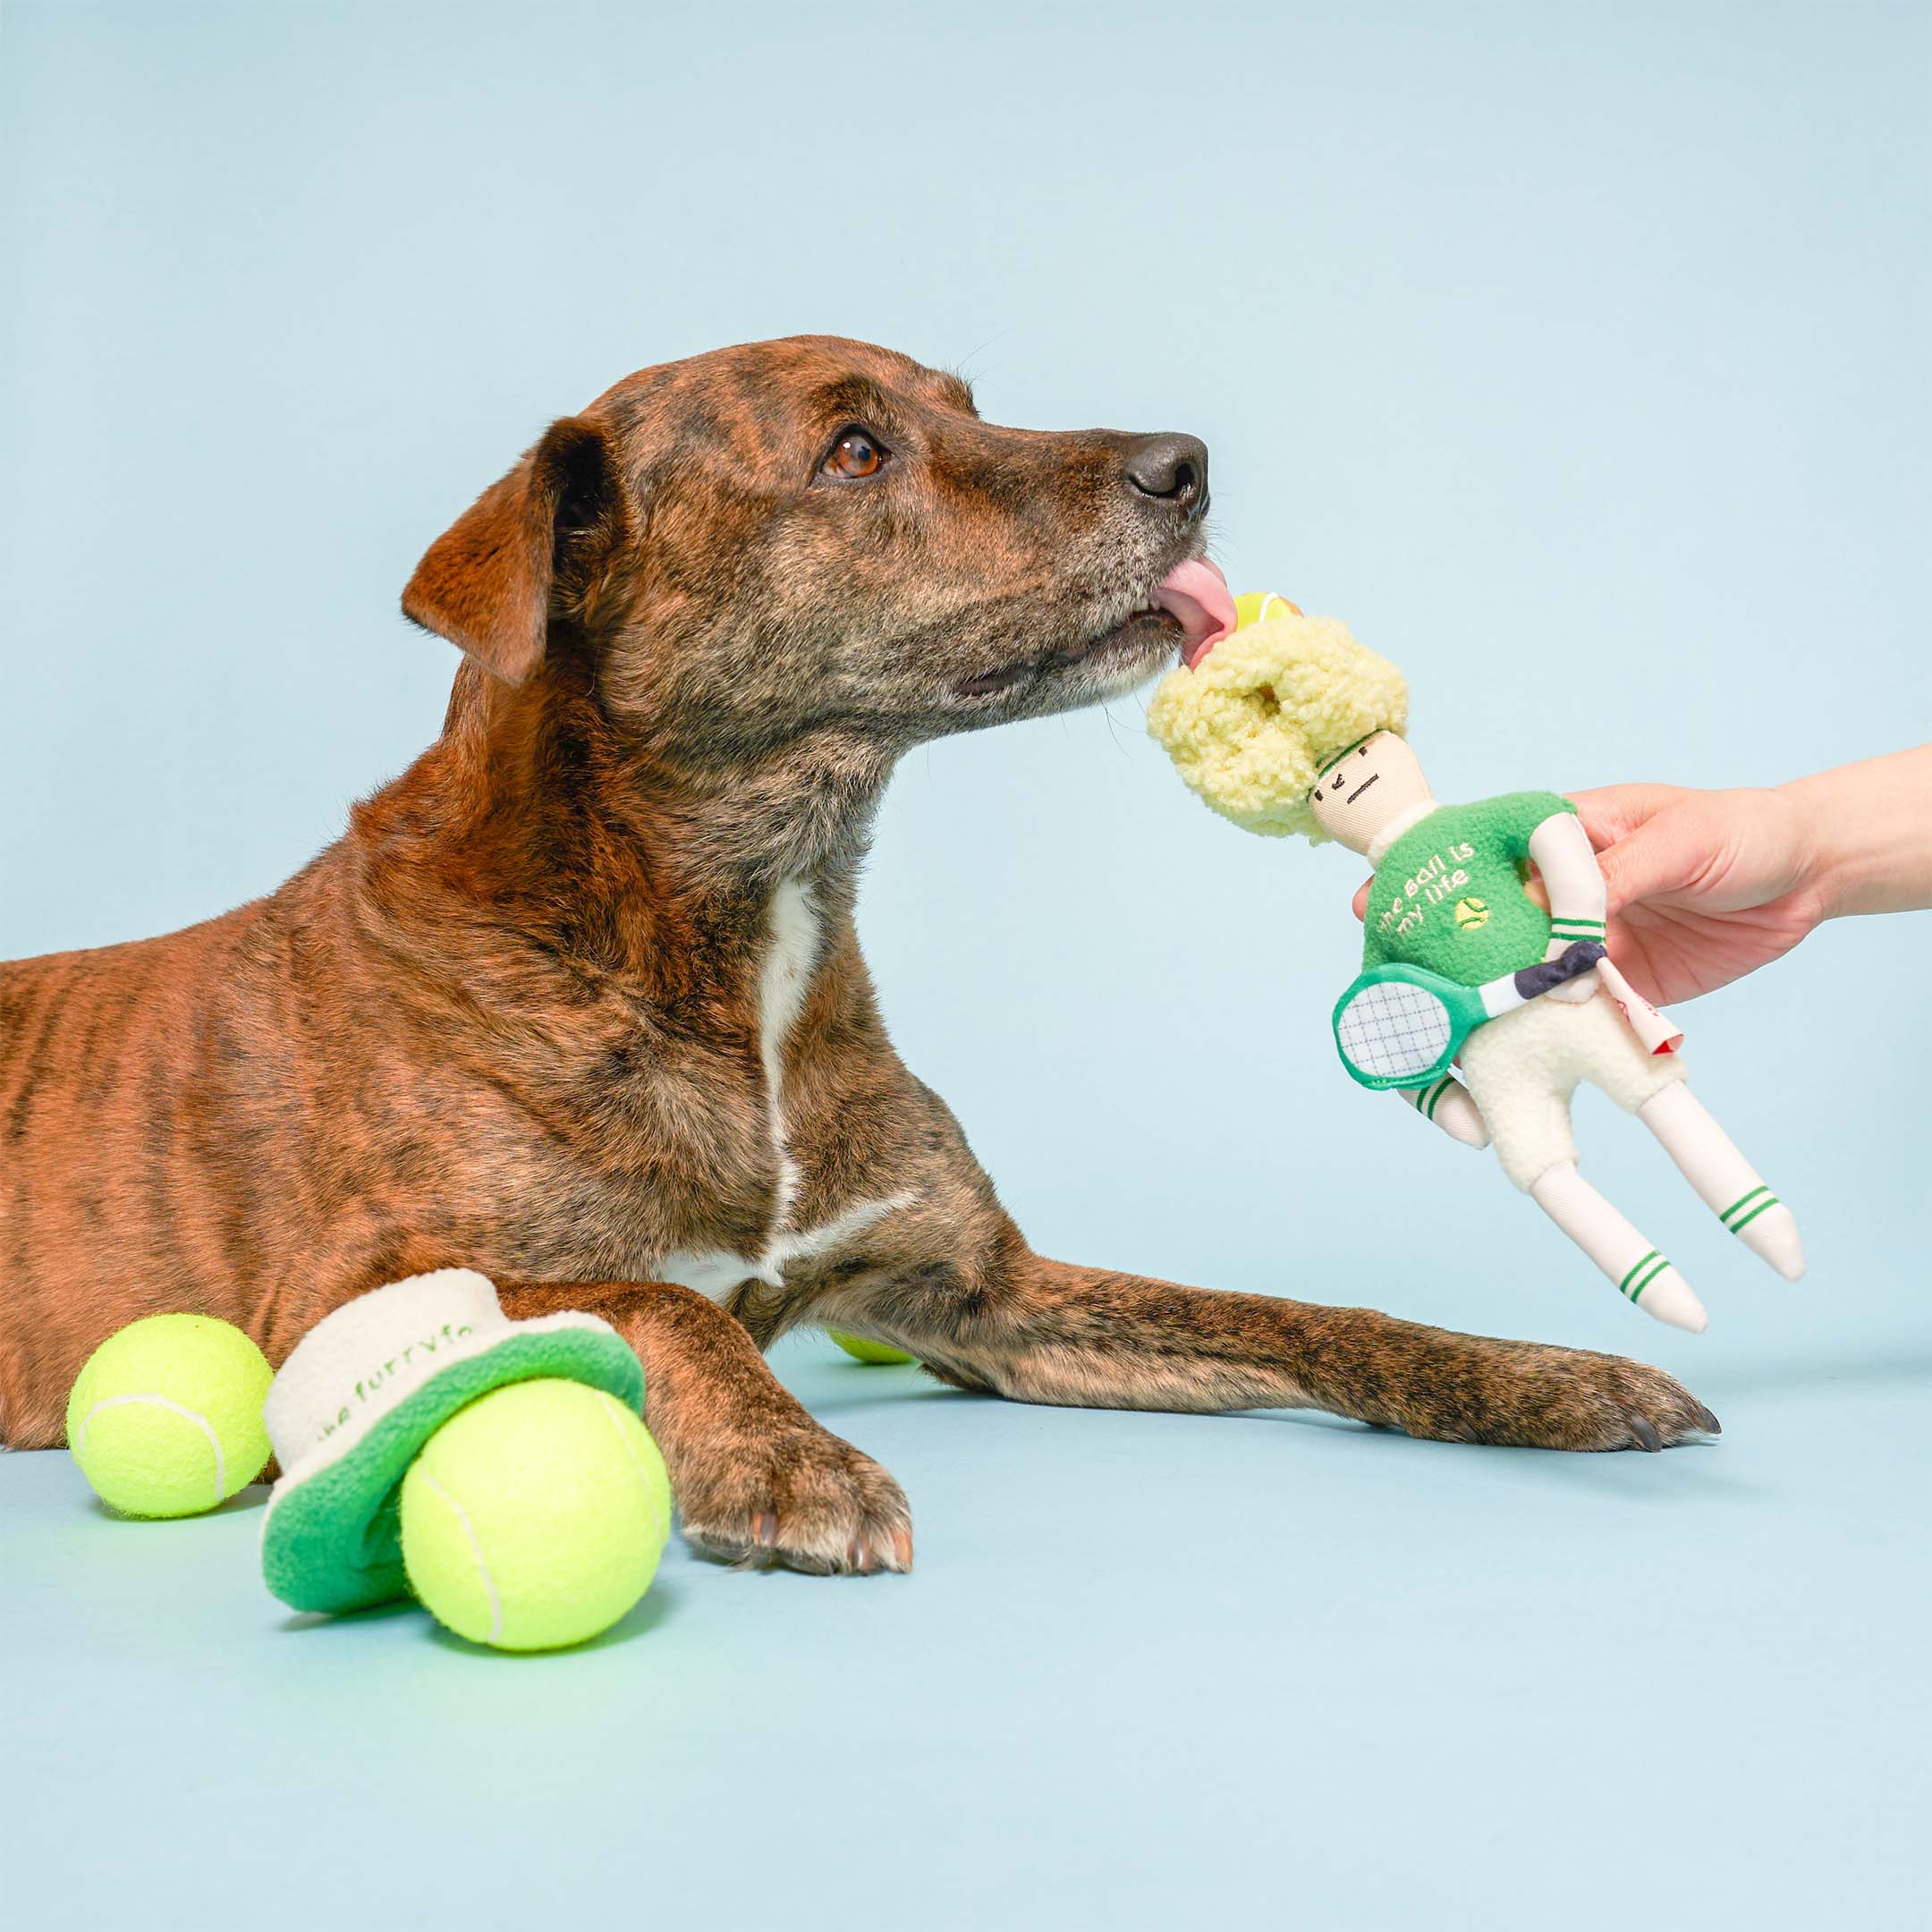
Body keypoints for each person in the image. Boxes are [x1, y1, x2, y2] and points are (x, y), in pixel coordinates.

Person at [1352, 743, 1932, 1004]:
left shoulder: (1487, 823)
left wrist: (1812, 855)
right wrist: (1811, 853)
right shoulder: (1390, 908)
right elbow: (1381, 991)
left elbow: (1546, 821)